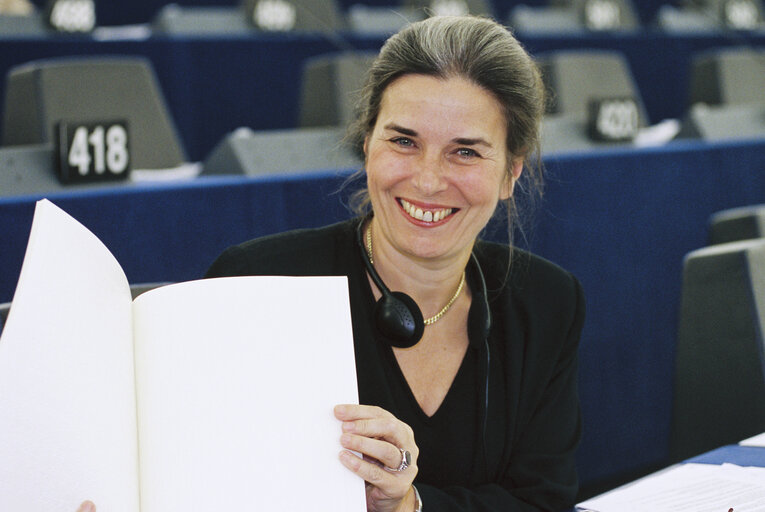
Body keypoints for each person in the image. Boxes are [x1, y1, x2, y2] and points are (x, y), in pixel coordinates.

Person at [81, 13, 584, 512]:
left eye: (466, 152)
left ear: (510, 172)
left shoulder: (546, 302)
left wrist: (409, 506)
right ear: (367, 145)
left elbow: (542, 502)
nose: (429, 180)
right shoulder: (255, 282)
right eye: (404, 141)